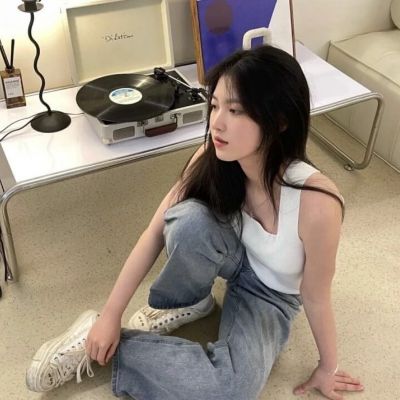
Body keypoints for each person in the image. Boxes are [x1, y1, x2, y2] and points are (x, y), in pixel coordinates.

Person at [26, 45, 364, 400]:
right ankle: (189, 301)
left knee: (233, 388)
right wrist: (112, 313)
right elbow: (155, 232)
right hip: (231, 252)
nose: (217, 122)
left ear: (279, 121)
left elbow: (315, 295)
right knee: (188, 221)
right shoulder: (213, 157)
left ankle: (94, 346)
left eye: (235, 110)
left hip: (271, 294)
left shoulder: (318, 203)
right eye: (215, 105)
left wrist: (328, 367)